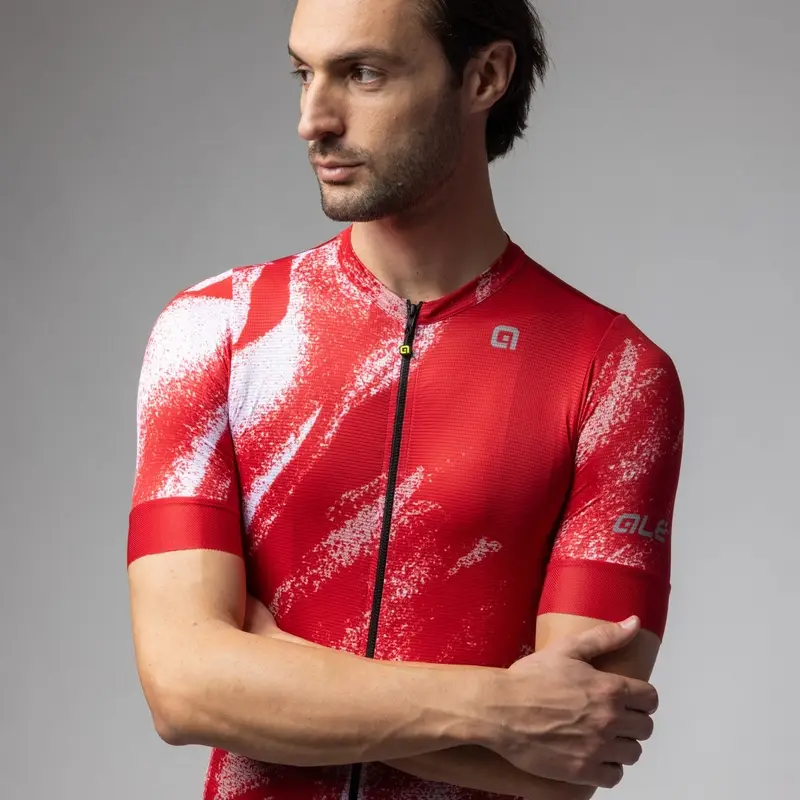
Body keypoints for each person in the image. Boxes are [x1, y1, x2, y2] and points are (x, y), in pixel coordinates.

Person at [126, 0, 685, 798]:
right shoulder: (213, 332)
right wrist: (501, 711)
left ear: (485, 76)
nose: (313, 120)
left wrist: (267, 671)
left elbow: (573, 753)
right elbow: (182, 689)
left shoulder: (616, 377)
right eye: (304, 73)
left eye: (363, 74)